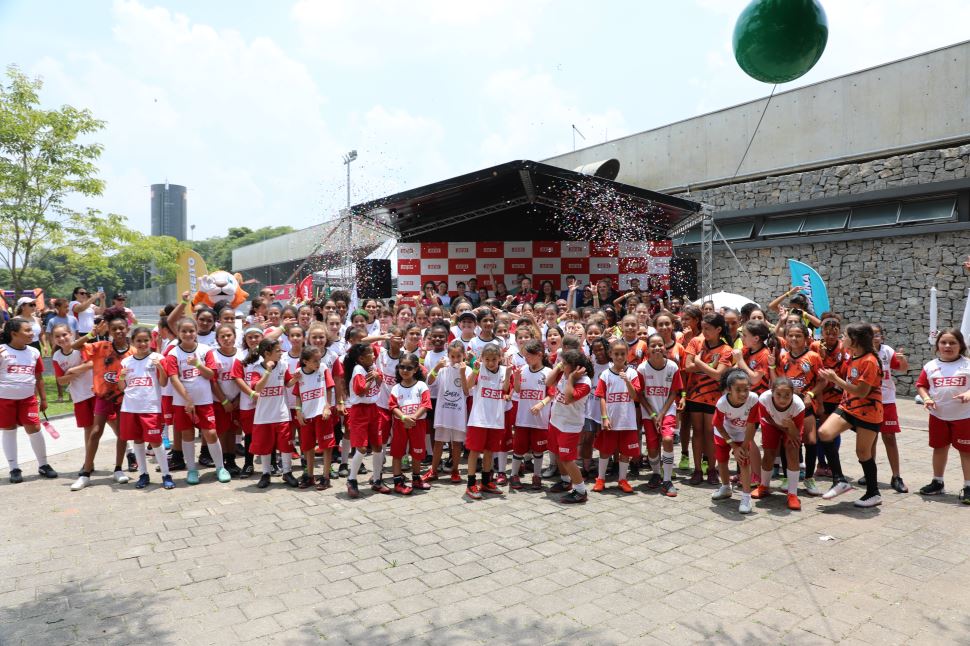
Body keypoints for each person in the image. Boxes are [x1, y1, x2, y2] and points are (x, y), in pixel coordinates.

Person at [817, 322, 885, 508]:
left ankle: (873, 493)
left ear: (854, 340)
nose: (841, 339)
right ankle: (839, 480)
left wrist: (835, 379)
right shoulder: (853, 356)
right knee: (824, 433)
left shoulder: (869, 361)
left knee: (863, 453)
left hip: (868, 411)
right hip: (848, 407)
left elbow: (861, 392)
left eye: (845, 336)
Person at [71, 307, 133, 489]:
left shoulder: (133, 352)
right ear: (109, 331)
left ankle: (118, 469)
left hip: (125, 398)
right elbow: (75, 346)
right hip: (103, 396)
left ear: (127, 329)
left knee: (122, 433)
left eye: (122, 328)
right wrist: (92, 333)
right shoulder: (100, 347)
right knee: (95, 431)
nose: (119, 332)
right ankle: (86, 471)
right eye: (114, 329)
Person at [163, 318, 227, 486]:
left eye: (191, 330)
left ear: (196, 331)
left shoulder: (206, 350)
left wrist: (198, 364)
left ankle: (220, 467)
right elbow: (174, 379)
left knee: (211, 433)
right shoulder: (173, 353)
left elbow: (211, 375)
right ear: (178, 333)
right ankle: (192, 469)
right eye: (184, 331)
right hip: (182, 402)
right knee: (187, 434)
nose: (188, 334)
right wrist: (187, 399)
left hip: (204, 401)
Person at [914, 328, 970, 503]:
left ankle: (968, 486)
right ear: (937, 345)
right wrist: (926, 398)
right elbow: (921, 385)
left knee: (966, 452)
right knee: (939, 449)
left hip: (964, 417)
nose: (948, 346)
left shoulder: (967, 364)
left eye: (952, 342)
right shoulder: (930, 366)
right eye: (943, 342)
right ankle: (937, 482)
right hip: (938, 416)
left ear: (960, 345)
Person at [0, 318, 57, 483]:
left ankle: (43, 465)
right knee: (9, 430)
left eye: (32, 330)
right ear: (14, 334)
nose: (32, 333)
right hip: (4, 399)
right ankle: (14, 468)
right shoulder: (2, 351)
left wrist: (44, 399)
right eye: (27, 330)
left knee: (35, 429)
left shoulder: (34, 352)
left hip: (28, 399)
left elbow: (38, 377)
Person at [118, 327, 172, 489]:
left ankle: (166, 474)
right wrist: (121, 376)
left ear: (151, 341)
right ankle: (143, 474)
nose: (142, 344)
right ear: (132, 342)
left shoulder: (157, 358)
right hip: (130, 407)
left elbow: (163, 383)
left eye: (145, 340)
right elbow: (122, 387)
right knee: (138, 440)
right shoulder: (126, 361)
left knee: (156, 442)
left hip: (150, 407)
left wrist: (160, 368)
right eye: (138, 341)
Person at [684, 313, 734, 486]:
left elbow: (719, 375)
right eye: (703, 328)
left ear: (719, 329)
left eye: (708, 329)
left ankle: (712, 469)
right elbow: (687, 367)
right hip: (694, 395)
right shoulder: (695, 342)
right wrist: (706, 368)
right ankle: (697, 469)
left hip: (714, 398)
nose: (703, 332)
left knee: (711, 433)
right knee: (697, 432)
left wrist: (699, 362)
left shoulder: (726, 350)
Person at [862, 324, 909, 493]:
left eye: (878, 334)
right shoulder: (861, 352)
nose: (875, 337)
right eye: (871, 334)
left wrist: (902, 358)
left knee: (889, 437)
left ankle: (896, 476)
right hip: (867, 400)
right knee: (869, 438)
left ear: (882, 336)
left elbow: (903, 369)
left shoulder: (887, 351)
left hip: (886, 399)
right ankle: (869, 473)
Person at [246, 339, 299, 489]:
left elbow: (287, 382)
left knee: (286, 444)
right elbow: (258, 388)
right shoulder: (257, 369)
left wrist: (296, 377)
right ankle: (265, 473)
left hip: (282, 413)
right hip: (263, 415)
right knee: (264, 445)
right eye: (277, 351)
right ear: (267, 354)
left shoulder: (282, 365)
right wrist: (268, 372)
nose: (281, 353)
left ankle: (287, 472)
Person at [545, 349, 593, 503]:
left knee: (567, 459)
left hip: (570, 426)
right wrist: (559, 368)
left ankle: (580, 491)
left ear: (575, 367)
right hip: (556, 421)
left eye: (565, 364)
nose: (561, 365)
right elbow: (547, 382)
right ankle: (566, 481)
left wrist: (571, 378)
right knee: (557, 453)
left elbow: (568, 399)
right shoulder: (562, 372)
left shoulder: (585, 383)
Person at [593, 340, 641, 494]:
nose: (619, 357)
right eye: (616, 354)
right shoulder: (605, 374)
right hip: (611, 420)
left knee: (625, 452)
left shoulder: (633, 373)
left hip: (627, 421)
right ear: (611, 354)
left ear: (627, 354)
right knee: (605, 450)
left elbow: (635, 397)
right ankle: (600, 478)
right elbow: (601, 397)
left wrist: (627, 381)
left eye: (622, 354)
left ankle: (622, 479)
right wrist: (604, 417)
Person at [638, 333, 683, 497]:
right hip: (649, 412)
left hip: (667, 410)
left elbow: (674, 392)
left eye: (660, 345)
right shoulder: (642, 369)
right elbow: (640, 394)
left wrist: (662, 413)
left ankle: (667, 480)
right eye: (653, 345)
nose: (657, 348)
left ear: (665, 347)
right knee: (652, 447)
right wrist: (653, 413)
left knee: (668, 440)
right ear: (647, 349)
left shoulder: (672, 367)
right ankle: (656, 473)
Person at [464, 343, 510, 500]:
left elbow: (505, 391)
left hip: (496, 419)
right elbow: (468, 386)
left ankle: (485, 481)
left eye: (494, 359)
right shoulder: (479, 369)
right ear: (482, 358)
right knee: (475, 451)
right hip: (479, 419)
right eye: (487, 359)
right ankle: (471, 483)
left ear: (500, 358)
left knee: (490, 451)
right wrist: (475, 370)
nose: (491, 362)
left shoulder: (504, 371)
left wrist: (510, 374)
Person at [710, 369, 759, 514]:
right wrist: (733, 445)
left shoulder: (753, 399)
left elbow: (751, 424)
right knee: (722, 460)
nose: (743, 394)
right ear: (729, 389)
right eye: (738, 390)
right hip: (724, 432)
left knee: (744, 461)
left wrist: (742, 447)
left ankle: (746, 496)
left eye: (746, 389)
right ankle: (725, 487)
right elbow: (717, 424)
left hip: (743, 433)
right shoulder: (722, 403)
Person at [754, 377, 806, 510]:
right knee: (769, 452)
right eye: (778, 395)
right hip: (771, 424)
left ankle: (792, 494)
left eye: (787, 395)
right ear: (772, 391)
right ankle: (764, 486)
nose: (782, 399)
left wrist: (791, 427)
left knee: (792, 451)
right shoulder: (764, 399)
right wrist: (782, 428)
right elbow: (767, 418)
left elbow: (795, 435)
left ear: (793, 393)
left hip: (791, 427)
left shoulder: (798, 405)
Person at [425, 340, 471, 484]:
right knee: (438, 442)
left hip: (458, 413)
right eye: (453, 356)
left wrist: (462, 373)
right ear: (448, 355)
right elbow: (430, 381)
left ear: (464, 355)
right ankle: (433, 470)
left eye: (459, 356)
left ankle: (455, 470)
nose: (456, 360)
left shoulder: (467, 370)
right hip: (443, 412)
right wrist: (437, 367)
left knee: (456, 443)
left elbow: (466, 391)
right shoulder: (443, 369)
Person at [510, 339, 552, 491]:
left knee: (538, 450)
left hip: (540, 420)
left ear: (539, 355)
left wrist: (541, 404)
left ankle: (537, 475)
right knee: (519, 448)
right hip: (523, 418)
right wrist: (515, 378)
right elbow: (517, 390)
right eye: (524, 356)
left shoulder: (548, 373)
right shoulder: (522, 370)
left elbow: (551, 394)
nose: (525, 359)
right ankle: (514, 475)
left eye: (528, 356)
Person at [343, 343, 384, 498]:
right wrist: (371, 378)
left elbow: (380, 381)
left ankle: (377, 478)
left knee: (378, 445)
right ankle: (352, 479)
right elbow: (360, 391)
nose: (373, 356)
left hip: (374, 409)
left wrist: (377, 377)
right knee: (361, 447)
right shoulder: (358, 370)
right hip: (359, 411)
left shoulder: (371, 367)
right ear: (361, 358)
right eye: (370, 354)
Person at [388, 352, 432, 494]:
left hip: (417, 424)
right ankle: (398, 481)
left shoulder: (421, 386)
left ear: (415, 369)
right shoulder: (396, 388)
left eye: (409, 368)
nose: (405, 371)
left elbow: (425, 404)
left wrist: (413, 418)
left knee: (418, 452)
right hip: (401, 424)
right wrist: (403, 418)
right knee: (397, 452)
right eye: (402, 367)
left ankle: (416, 479)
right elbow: (393, 406)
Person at [293, 346, 335, 490]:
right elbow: (297, 394)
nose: (318, 363)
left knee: (326, 446)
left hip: (321, 414)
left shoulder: (323, 368)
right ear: (305, 361)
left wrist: (327, 407)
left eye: (319, 359)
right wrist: (298, 412)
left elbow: (329, 389)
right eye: (314, 361)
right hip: (306, 415)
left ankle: (325, 477)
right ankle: (309, 476)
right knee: (307, 447)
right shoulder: (298, 373)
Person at [50, 323, 95, 461]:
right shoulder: (57, 356)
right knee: (88, 428)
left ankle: (129, 453)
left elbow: (92, 364)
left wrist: (71, 370)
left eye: (64, 334)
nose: (61, 338)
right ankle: (89, 462)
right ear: (53, 339)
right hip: (79, 396)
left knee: (113, 423)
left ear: (71, 334)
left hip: (95, 392)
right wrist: (76, 372)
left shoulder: (80, 347)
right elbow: (61, 381)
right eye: (57, 336)